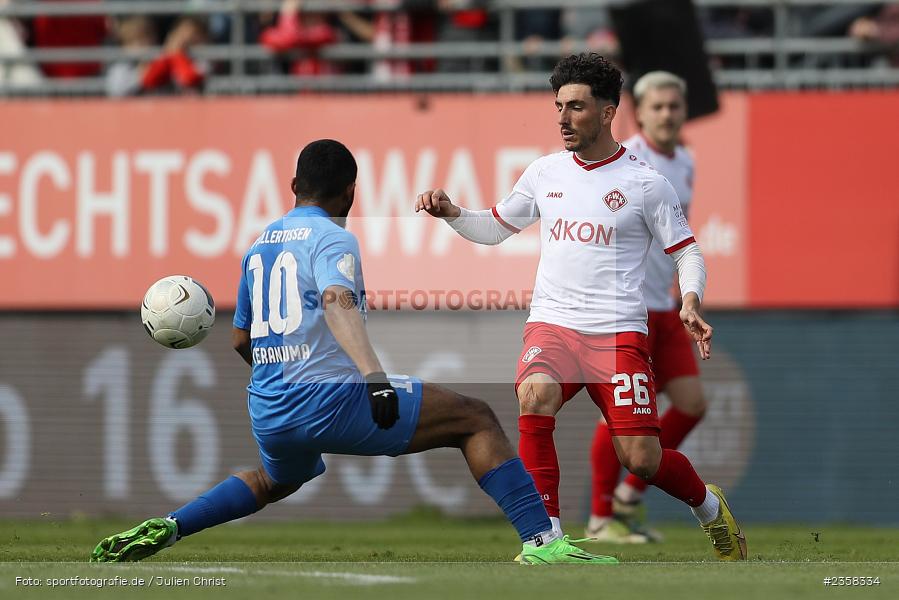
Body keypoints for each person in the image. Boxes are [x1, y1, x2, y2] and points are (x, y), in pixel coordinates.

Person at [91, 139, 616, 566]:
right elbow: (338, 300)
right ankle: (543, 544)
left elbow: (239, 339)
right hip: (332, 398)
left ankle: (172, 525)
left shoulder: (260, 245)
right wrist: (373, 376)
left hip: (269, 409)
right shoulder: (334, 239)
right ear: (351, 193)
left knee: (274, 480)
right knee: (475, 419)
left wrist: (284, 376)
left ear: (294, 186)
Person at [415, 53, 746, 561]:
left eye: (576, 107)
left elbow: (688, 251)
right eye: (558, 106)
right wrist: (454, 213)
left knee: (641, 460)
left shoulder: (645, 183)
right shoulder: (545, 172)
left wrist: (691, 299)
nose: (563, 118)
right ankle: (545, 540)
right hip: (553, 324)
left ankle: (708, 507)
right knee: (535, 395)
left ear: (609, 112)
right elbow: (496, 227)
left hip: (617, 335)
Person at [587, 71, 707, 543]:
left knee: (692, 405)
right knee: (614, 417)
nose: (667, 114)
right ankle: (600, 519)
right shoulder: (624, 160)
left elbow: (678, 237)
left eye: (674, 106)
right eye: (657, 107)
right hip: (626, 309)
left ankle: (628, 495)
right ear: (640, 112)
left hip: (666, 305)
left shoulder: (687, 163)